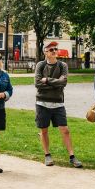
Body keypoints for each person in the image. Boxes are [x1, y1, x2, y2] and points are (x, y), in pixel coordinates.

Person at [35, 40, 82, 168]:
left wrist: (47, 81)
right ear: (45, 52)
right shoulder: (40, 65)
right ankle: (47, 155)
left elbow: (63, 83)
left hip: (58, 103)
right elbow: (38, 84)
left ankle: (72, 156)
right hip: (42, 103)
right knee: (44, 130)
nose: (55, 51)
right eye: (51, 50)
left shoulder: (63, 66)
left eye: (56, 49)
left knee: (65, 130)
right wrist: (55, 83)